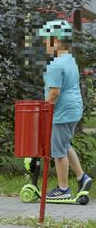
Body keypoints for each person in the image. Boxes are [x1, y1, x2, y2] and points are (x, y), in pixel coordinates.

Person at [38, 20, 93, 199]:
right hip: (74, 109)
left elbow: (54, 93)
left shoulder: (55, 64)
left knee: (58, 152)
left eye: (46, 40)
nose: (44, 44)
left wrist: (45, 110)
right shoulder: (70, 60)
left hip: (62, 113)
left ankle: (63, 189)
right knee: (65, 144)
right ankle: (81, 177)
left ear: (56, 41)